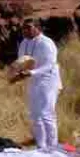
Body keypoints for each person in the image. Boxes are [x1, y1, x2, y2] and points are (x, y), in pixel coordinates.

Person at [13, 19, 62, 150]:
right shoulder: (24, 43)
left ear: (38, 28)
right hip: (33, 81)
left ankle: (52, 148)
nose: (25, 30)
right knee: (35, 115)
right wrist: (17, 74)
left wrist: (32, 73)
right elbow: (21, 61)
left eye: (28, 28)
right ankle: (41, 147)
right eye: (23, 28)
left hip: (48, 81)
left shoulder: (46, 43)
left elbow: (50, 65)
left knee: (46, 114)